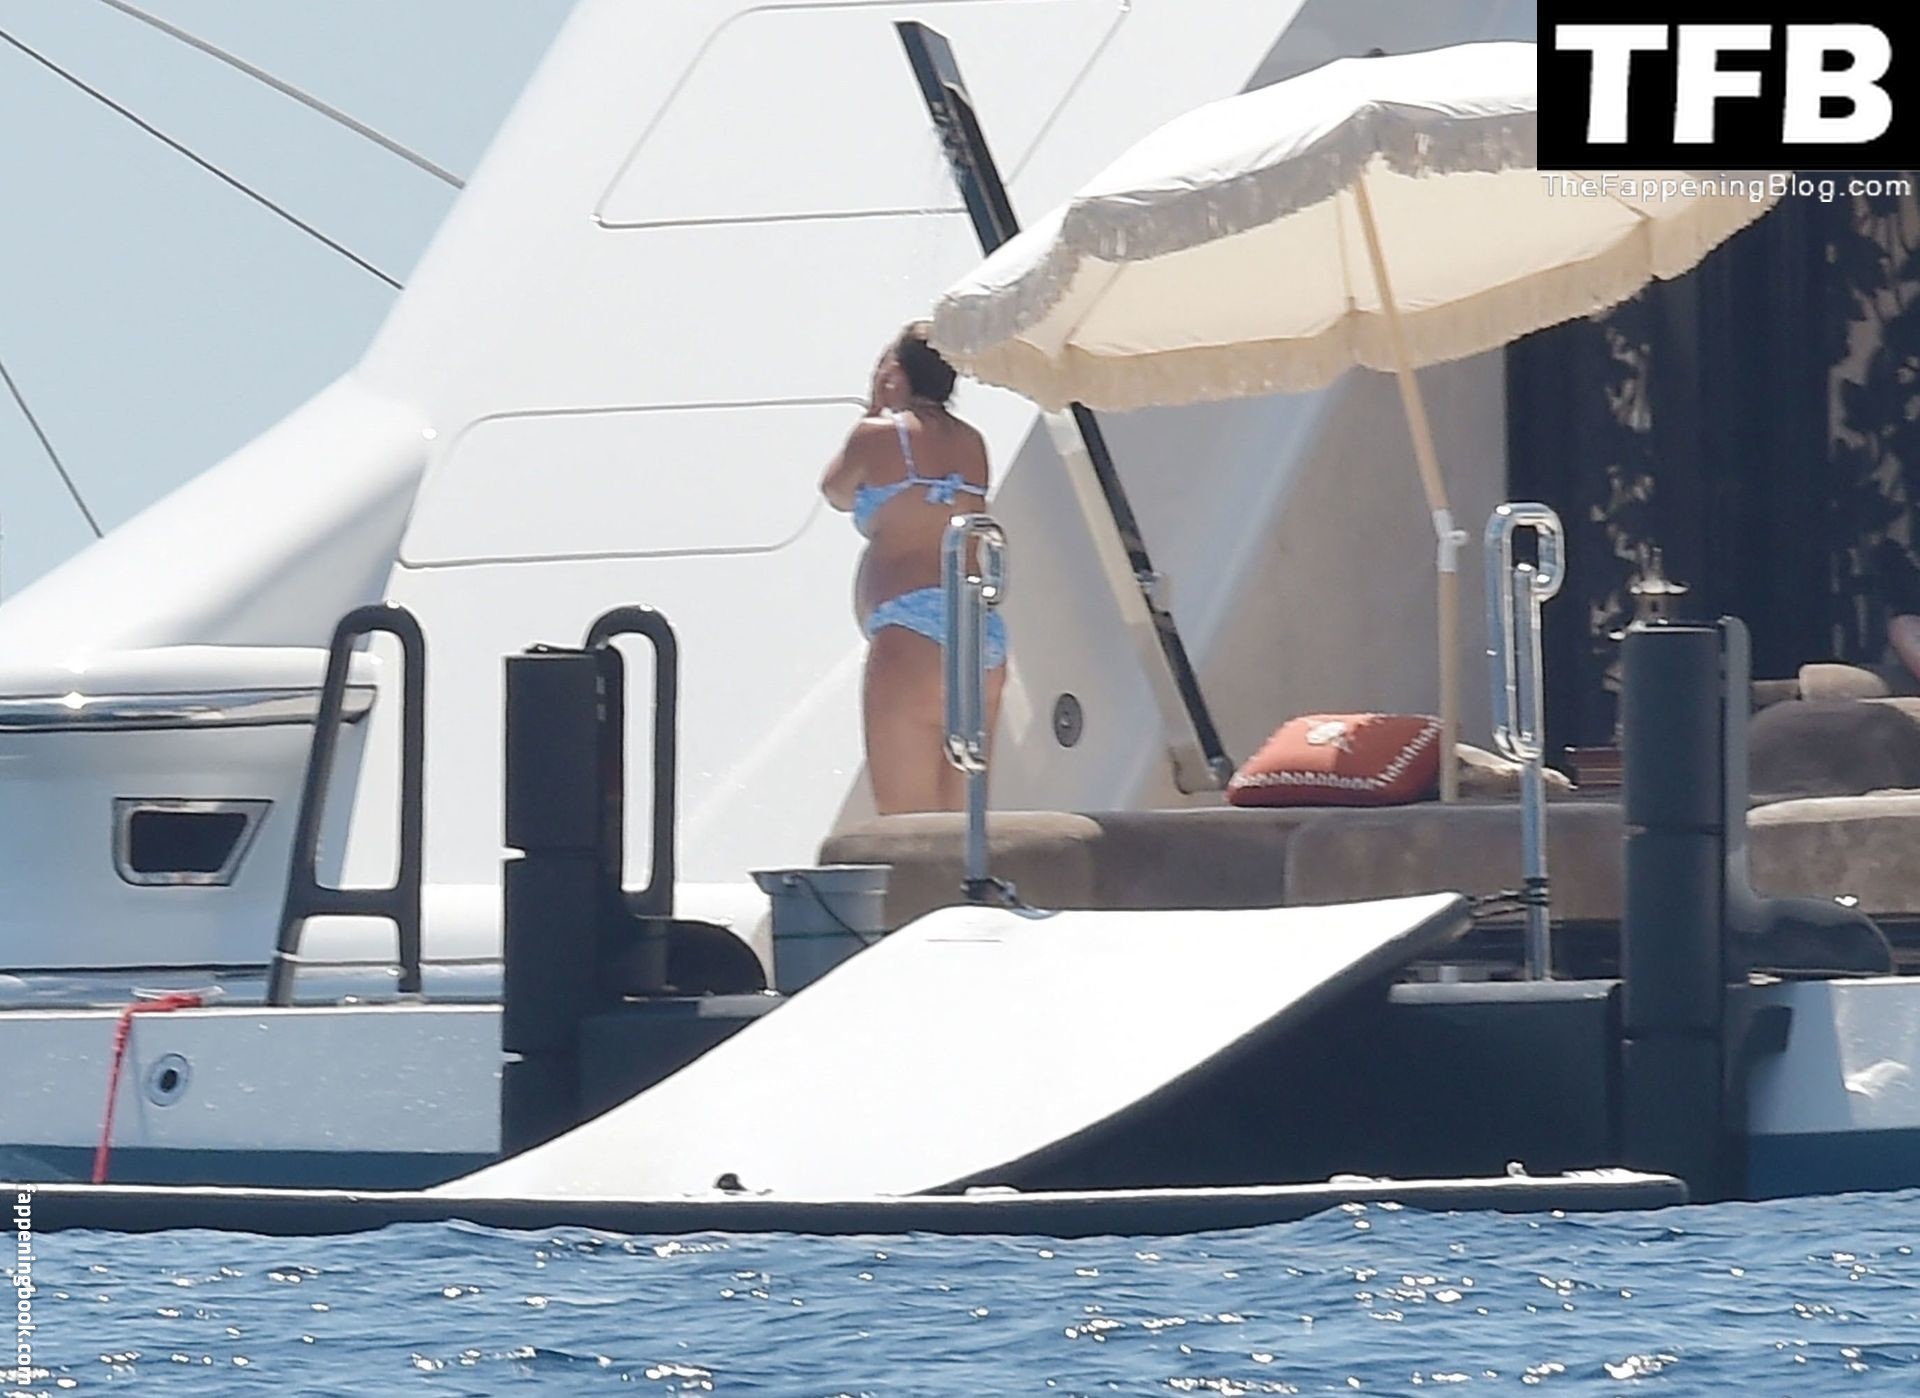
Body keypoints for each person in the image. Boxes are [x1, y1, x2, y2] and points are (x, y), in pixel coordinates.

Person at [820, 322, 1007, 814]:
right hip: (978, 634)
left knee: (906, 827)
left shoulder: (877, 436)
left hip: (911, 632)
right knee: (961, 825)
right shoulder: (973, 442)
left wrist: (875, 409)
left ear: (897, 375)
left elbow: (835, 491)